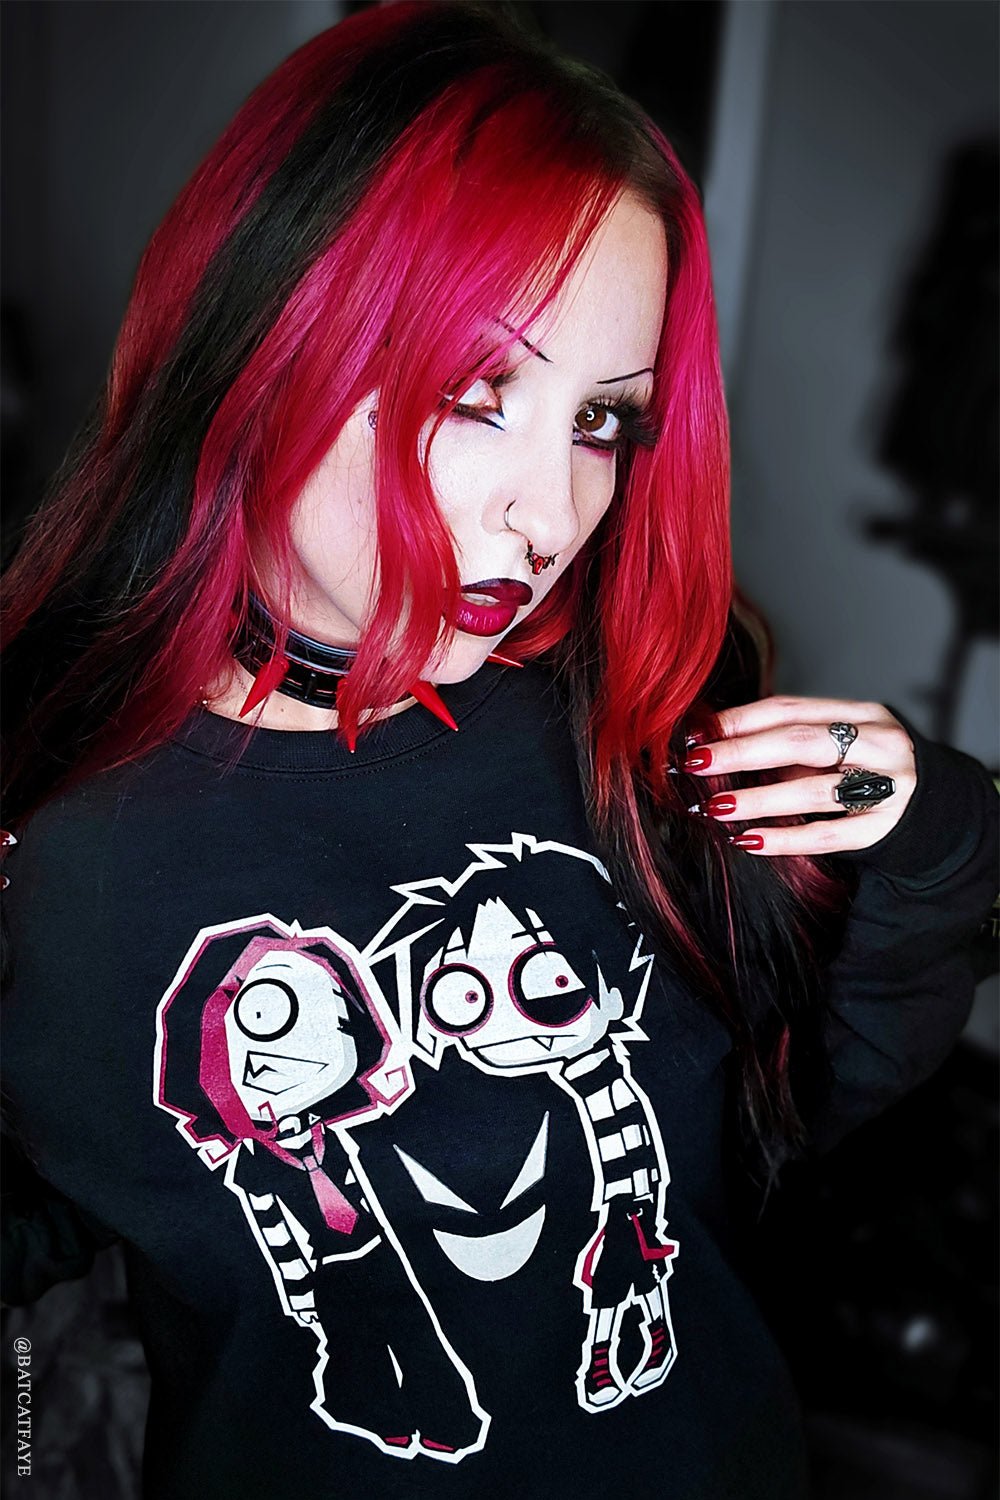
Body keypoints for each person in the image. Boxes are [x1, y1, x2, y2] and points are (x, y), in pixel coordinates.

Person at [1, 3, 995, 1497]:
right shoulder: (66, 852)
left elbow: (801, 1105)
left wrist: (934, 836)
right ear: (270, 338)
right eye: (477, 398)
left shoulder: (621, 727)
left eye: (602, 424)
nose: (551, 515)